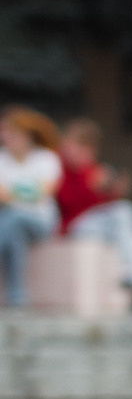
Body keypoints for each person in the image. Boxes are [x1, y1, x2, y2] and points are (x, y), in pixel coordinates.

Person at [55, 120, 132, 312]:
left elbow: (106, 205)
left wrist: (115, 188)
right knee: (123, 216)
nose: (73, 151)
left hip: (97, 226)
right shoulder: (58, 168)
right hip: (73, 226)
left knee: (125, 211)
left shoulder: (94, 170)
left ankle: (131, 276)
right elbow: (66, 201)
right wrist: (91, 185)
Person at [0, 108, 63, 309]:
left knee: (15, 217)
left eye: (12, 133)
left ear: (27, 136)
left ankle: (18, 295)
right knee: (15, 235)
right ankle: (18, 295)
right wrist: (27, 191)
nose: (6, 137)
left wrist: (13, 193)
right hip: (10, 223)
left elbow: (44, 192)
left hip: (42, 221)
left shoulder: (46, 158)